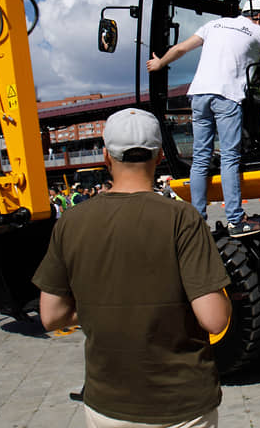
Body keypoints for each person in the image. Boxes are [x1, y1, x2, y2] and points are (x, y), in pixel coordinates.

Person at [33, 108, 231, 427]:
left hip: (108, 405)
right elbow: (214, 318)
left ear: (106, 157)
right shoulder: (182, 218)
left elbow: (51, 316)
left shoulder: (70, 222)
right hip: (182, 405)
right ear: (160, 155)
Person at [147, 0, 260, 238]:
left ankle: (198, 220)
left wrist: (160, 62)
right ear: (258, 16)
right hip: (226, 95)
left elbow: (181, 48)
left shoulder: (215, 24)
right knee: (230, 158)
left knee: (201, 159)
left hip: (199, 94)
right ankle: (236, 220)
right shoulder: (258, 32)